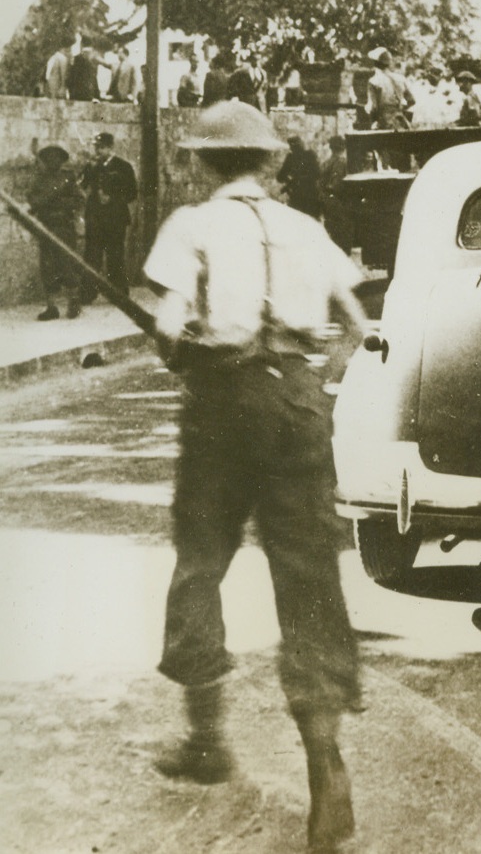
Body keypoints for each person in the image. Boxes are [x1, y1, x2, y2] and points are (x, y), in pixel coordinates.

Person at [144, 100, 365, 853]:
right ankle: (326, 769)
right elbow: (358, 328)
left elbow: (172, 328)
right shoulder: (307, 229)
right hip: (299, 407)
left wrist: (178, 351)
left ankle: (206, 744)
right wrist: (311, 382)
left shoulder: (193, 227)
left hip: (222, 407)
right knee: (308, 579)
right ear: (269, 163)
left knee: (201, 561)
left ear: (204, 163)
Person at [27, 145, 83, 320]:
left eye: (57, 158)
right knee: (48, 267)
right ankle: (52, 308)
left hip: (64, 228)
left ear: (61, 160)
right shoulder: (39, 179)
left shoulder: (68, 178)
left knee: (67, 265)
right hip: (46, 227)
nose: (53, 162)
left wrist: (65, 206)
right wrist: (44, 203)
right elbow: (32, 198)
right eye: (49, 158)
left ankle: (74, 303)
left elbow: (79, 198)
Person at [79, 132, 138, 301]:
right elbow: (81, 185)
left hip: (115, 218)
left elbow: (132, 193)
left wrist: (112, 198)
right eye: (96, 147)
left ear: (111, 148)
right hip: (95, 218)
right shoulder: (92, 166)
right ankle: (88, 293)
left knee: (115, 255)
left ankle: (118, 294)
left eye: (101, 148)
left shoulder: (123, 167)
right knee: (92, 255)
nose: (98, 151)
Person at [365, 47, 415, 131]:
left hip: (384, 123)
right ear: (388, 63)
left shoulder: (373, 81)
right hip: (401, 122)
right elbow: (412, 101)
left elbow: (372, 108)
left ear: (375, 63)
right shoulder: (401, 78)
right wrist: (399, 108)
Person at [319, 135, 352, 254]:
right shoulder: (342, 162)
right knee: (342, 234)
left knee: (332, 231)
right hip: (338, 201)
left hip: (327, 200)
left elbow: (320, 183)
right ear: (343, 147)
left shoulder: (326, 163)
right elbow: (337, 185)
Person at [278, 135, 323, 219]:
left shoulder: (302, 156)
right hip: (305, 196)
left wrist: (293, 179)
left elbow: (317, 174)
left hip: (304, 196)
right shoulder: (306, 155)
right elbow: (280, 177)